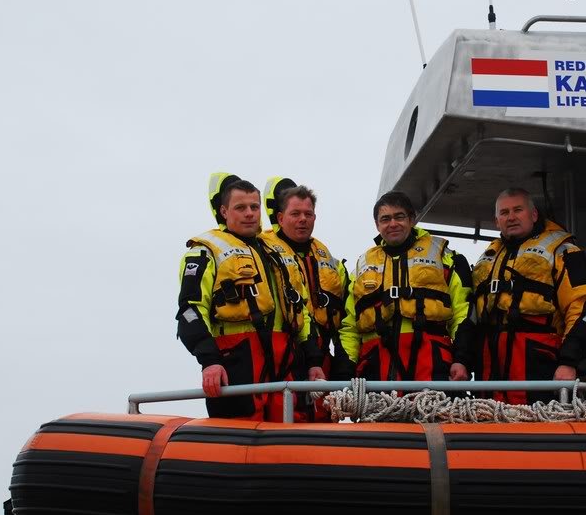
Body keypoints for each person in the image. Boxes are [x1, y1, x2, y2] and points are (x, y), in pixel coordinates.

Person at [176, 173, 323, 420]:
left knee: (292, 430)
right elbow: (190, 310)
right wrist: (209, 361)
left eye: (254, 207)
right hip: (237, 360)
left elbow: (302, 312)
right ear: (224, 211)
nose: (249, 213)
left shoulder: (276, 251)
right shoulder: (205, 251)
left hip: (285, 360)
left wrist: (314, 361)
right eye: (240, 207)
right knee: (236, 436)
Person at [472, 187, 586, 405]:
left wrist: (569, 361)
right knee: (487, 420)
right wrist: (463, 360)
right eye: (504, 213)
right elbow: (471, 317)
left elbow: (584, 308)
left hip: (539, 360)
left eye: (517, 210)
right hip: (490, 363)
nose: (511, 217)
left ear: (533, 215)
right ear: (496, 221)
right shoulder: (489, 257)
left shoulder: (564, 252)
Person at [338, 191, 472, 383]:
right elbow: (349, 325)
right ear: (377, 225)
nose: (392, 224)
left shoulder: (447, 258)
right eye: (385, 219)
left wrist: (461, 359)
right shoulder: (361, 266)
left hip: (432, 363)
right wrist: (345, 371)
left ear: (412, 219)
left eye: (399, 217)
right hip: (376, 366)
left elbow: (463, 312)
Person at [260, 178, 349, 419]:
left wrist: (343, 361)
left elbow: (346, 314)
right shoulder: (263, 252)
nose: (302, 219)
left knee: (324, 419)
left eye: (308, 214)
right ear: (280, 218)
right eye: (295, 213)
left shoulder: (328, 258)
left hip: (323, 355)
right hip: (281, 353)